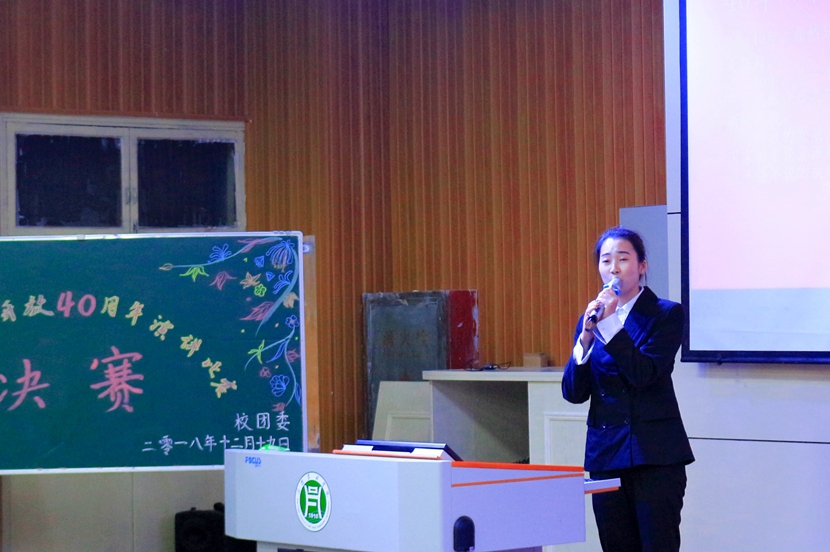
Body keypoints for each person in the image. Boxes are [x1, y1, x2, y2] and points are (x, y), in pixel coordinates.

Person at [562, 226, 694, 552]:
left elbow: (643, 374)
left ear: (642, 265)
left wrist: (609, 324)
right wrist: (585, 339)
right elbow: (574, 393)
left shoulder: (666, 313)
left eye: (623, 259)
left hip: (655, 456)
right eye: (606, 260)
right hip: (607, 455)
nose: (614, 268)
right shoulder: (591, 318)